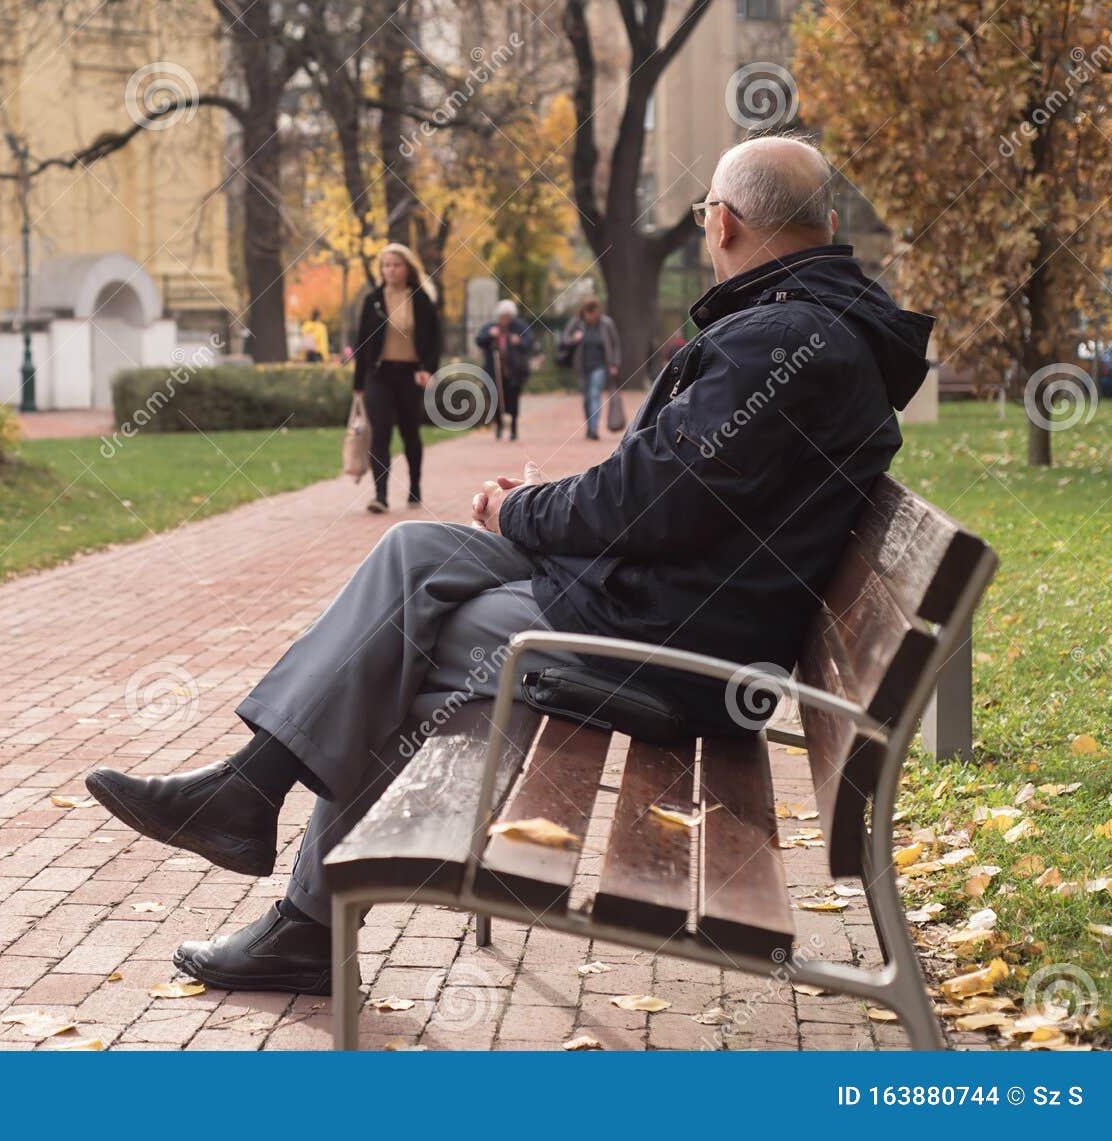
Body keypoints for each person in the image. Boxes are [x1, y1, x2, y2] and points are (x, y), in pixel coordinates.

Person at [85, 136, 934, 994]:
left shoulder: (784, 338)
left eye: (704, 214)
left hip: (666, 646)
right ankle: (252, 794)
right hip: (661, 602)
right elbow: (672, 494)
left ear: (725, 221)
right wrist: (532, 510)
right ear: (826, 223)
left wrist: (520, 510)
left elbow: (651, 502)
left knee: (409, 648)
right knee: (414, 551)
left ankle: (295, 912)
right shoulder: (807, 324)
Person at [345, 243, 440, 513]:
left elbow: (434, 339)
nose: (391, 270)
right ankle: (381, 495)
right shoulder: (373, 300)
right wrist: (358, 385)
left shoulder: (421, 299)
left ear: (407, 267)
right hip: (379, 374)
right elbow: (362, 343)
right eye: (386, 265)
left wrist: (427, 368)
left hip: (410, 374)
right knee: (381, 434)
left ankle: (415, 488)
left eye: (396, 265)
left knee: (410, 433)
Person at [475, 299, 535, 440]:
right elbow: (479, 340)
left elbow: (529, 341)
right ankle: (499, 425)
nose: (505, 320)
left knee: (513, 399)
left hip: (514, 371)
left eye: (508, 317)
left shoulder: (519, 327)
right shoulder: (491, 327)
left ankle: (513, 427)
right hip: (494, 370)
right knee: (496, 399)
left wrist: (519, 341)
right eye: (502, 316)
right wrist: (490, 334)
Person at [562, 297, 621, 440]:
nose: (590, 316)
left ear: (597, 312)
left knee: (595, 394)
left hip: (600, 366)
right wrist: (574, 338)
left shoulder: (606, 324)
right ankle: (589, 427)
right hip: (581, 367)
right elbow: (565, 339)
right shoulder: (577, 323)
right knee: (586, 398)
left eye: (592, 313)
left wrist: (614, 364)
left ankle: (594, 429)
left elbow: (615, 345)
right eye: (587, 313)